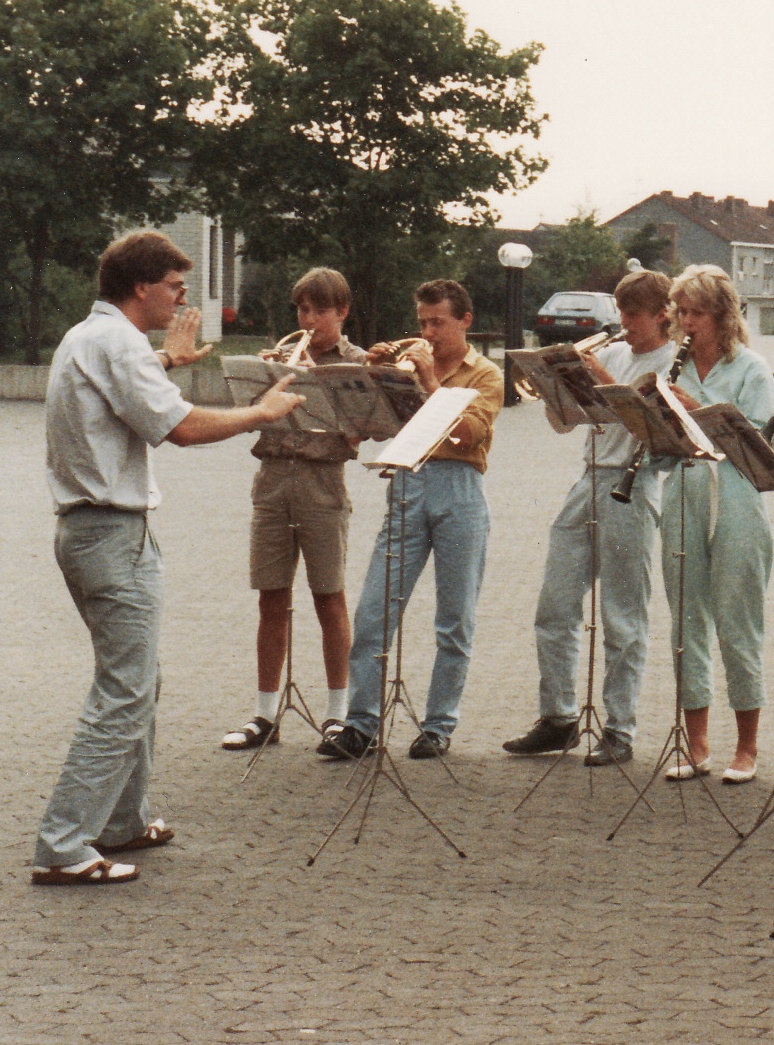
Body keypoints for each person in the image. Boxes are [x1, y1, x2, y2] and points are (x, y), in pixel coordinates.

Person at [32, 231, 305, 884]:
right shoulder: (117, 342)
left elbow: (125, 397)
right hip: (110, 534)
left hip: (98, 532)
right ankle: (64, 844)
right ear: (141, 287)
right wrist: (259, 411)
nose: (183, 297)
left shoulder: (91, 338)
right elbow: (178, 427)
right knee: (125, 689)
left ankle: (124, 817)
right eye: (175, 285)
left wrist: (169, 364)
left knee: (138, 680)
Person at [320, 279, 504, 762]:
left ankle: (439, 725)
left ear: (465, 321)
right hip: (407, 484)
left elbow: (470, 434)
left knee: (454, 618)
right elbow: (372, 424)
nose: (427, 332)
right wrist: (372, 375)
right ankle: (361, 725)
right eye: (422, 322)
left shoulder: (485, 374)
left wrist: (431, 383)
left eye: (437, 322)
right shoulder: (407, 365)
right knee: (374, 612)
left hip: (459, 489)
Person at [503, 271, 678, 766]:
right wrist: (557, 386)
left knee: (623, 616)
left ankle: (619, 729)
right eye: (620, 313)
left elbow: (641, 415)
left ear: (662, 314)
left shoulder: (670, 361)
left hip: (633, 482)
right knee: (554, 606)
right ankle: (558, 718)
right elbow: (566, 423)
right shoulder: (618, 352)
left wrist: (596, 372)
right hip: (589, 477)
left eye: (633, 315)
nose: (624, 323)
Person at [223, 268, 367, 752]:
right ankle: (265, 715)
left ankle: (337, 714)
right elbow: (246, 416)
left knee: (329, 597)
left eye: (319, 311)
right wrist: (263, 383)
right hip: (272, 481)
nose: (308, 319)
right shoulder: (280, 359)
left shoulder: (355, 363)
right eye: (302, 310)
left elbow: (374, 427)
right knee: (271, 597)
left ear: (341, 313)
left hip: (322, 484)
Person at [660, 264, 774, 784]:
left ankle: (747, 746)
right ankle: (697, 743)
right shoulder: (672, 368)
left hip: (735, 497)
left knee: (738, 619)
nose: (687, 322)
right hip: (684, 492)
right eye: (680, 312)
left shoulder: (751, 368)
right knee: (686, 620)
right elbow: (664, 449)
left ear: (722, 316)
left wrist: (697, 406)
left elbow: (753, 442)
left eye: (697, 312)